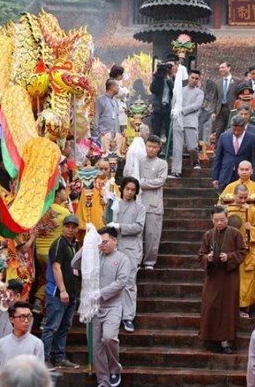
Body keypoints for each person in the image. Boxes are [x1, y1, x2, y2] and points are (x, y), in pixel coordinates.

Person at [73, 226, 130, 387]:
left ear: (114, 240)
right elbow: (74, 263)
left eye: (105, 242)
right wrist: (88, 244)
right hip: (94, 307)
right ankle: (102, 380)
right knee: (95, 344)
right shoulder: (95, 255)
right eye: (100, 242)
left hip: (112, 305)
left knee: (108, 337)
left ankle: (114, 368)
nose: (103, 245)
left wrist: (101, 292)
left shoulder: (123, 259)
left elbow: (121, 282)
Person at [198, 206, 246, 354]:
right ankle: (210, 338)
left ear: (227, 218)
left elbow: (242, 252)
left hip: (229, 276)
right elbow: (201, 255)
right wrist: (208, 258)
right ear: (212, 220)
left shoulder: (235, 233)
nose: (219, 223)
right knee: (210, 305)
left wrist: (229, 257)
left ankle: (226, 341)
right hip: (213, 276)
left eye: (222, 220)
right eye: (216, 220)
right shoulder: (208, 235)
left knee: (227, 308)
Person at [105, 176, 146, 333]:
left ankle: (128, 316)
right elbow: (106, 220)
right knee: (111, 280)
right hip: (114, 247)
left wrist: (120, 226)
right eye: (127, 189)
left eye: (132, 190)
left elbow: (138, 227)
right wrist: (107, 206)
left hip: (131, 248)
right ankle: (111, 313)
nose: (129, 192)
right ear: (122, 188)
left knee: (129, 282)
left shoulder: (139, 208)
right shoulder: (116, 203)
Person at [41, 214, 80, 369]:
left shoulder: (73, 244)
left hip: (71, 293)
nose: (70, 230)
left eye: (73, 227)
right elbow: (56, 267)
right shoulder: (58, 244)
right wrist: (62, 290)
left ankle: (60, 357)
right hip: (57, 293)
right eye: (68, 226)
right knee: (52, 327)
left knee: (64, 327)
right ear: (63, 227)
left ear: (77, 229)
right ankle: (45, 358)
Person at [229, 184, 255, 318]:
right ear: (234, 195)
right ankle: (231, 307)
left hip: (247, 251)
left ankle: (244, 308)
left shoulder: (252, 210)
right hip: (231, 252)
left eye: (245, 198)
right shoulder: (227, 210)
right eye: (240, 197)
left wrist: (251, 229)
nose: (243, 201)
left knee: (246, 281)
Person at [138, 135, 168, 270]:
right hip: (139, 201)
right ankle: (137, 260)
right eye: (149, 146)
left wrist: (142, 183)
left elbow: (160, 181)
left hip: (154, 203)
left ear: (159, 148)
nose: (151, 149)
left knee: (152, 234)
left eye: (154, 147)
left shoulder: (162, 163)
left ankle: (150, 261)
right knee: (137, 234)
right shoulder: (139, 161)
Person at [0, 301, 44, 376]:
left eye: (29, 317)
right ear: (11, 319)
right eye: (22, 317)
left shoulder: (37, 344)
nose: (26, 321)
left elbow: (39, 373)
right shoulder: (1, 343)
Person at [169, 69, 204, 178]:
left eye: (196, 78)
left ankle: (195, 161)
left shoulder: (199, 92)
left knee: (192, 147)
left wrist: (182, 110)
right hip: (178, 121)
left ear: (199, 80)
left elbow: (196, 105)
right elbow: (173, 103)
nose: (194, 80)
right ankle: (176, 171)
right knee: (177, 147)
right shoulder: (180, 90)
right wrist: (175, 110)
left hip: (190, 121)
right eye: (192, 77)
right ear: (188, 77)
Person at [211, 115, 255, 192]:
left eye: (239, 130)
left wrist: (254, 178)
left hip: (243, 176)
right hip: (225, 175)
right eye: (234, 130)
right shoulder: (224, 137)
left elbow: (254, 160)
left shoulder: (252, 139)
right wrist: (215, 177)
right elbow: (218, 158)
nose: (236, 132)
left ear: (244, 128)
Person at [211, 61, 240, 136]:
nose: (220, 70)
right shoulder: (218, 82)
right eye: (219, 68)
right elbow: (215, 98)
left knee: (231, 131)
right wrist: (213, 112)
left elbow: (239, 97)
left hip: (232, 110)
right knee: (218, 132)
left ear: (229, 68)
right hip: (220, 110)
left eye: (223, 67)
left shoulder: (237, 81)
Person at [149, 61, 174, 140]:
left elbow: (174, 91)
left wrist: (168, 78)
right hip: (158, 108)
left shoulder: (173, 78)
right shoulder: (158, 78)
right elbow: (153, 90)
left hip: (168, 108)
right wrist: (157, 77)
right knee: (156, 131)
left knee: (168, 131)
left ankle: (168, 149)